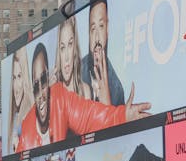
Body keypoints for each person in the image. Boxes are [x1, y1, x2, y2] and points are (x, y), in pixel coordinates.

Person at [15, 43, 149, 152]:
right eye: (36, 84)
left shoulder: (60, 99)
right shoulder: (27, 129)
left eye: (43, 81)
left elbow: (91, 117)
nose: (40, 93)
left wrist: (123, 115)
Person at [81, 0, 126, 107]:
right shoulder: (76, 71)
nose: (97, 38)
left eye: (101, 26)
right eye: (93, 29)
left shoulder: (117, 89)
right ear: (88, 33)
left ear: (107, 29)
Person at [56, 15, 91, 99]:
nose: (66, 57)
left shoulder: (85, 91)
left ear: (75, 49)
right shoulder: (55, 96)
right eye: (63, 48)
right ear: (59, 53)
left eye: (70, 44)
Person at [6, 48, 31, 152]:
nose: (16, 86)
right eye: (14, 78)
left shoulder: (31, 112)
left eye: (20, 76)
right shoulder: (13, 118)